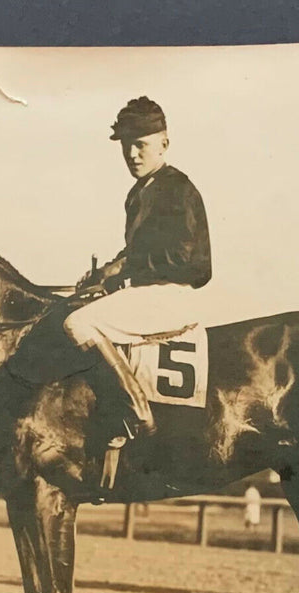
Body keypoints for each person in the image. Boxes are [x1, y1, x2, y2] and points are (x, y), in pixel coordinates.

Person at [66, 96, 212, 440]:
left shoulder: (177, 188)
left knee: (78, 322)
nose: (132, 154)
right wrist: (104, 274)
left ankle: (135, 408)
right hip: (148, 294)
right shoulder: (139, 192)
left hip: (172, 297)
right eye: (127, 146)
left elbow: (192, 262)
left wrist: (121, 273)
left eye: (141, 145)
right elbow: (137, 253)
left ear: (164, 143)